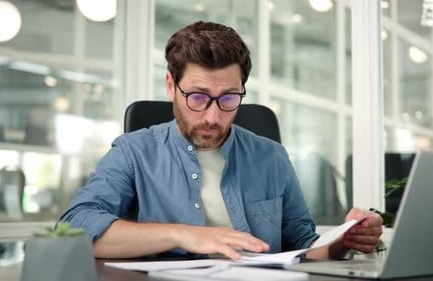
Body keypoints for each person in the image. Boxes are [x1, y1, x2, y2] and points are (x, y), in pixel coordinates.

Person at [58, 21, 382, 260]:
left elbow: (302, 245)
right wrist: (186, 235)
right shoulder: (133, 152)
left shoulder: (271, 156)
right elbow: (73, 229)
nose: (213, 117)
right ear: (171, 86)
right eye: (198, 97)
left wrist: (344, 241)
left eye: (229, 98)